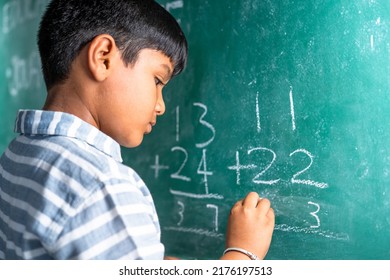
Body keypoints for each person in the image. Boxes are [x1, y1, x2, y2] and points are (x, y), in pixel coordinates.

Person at [0, 0, 274, 260]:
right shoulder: (103, 186)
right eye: (157, 80)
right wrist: (242, 254)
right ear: (103, 57)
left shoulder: (17, 155)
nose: (161, 106)